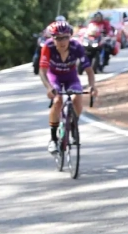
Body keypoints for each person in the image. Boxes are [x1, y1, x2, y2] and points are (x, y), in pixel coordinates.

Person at [38, 21, 97, 153]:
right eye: (58, 38)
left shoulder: (77, 46)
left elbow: (89, 70)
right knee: (57, 100)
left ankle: (73, 125)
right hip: (55, 77)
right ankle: (53, 139)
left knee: (77, 98)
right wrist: (48, 87)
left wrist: (93, 86)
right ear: (52, 38)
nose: (62, 41)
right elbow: (42, 71)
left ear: (70, 36)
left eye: (65, 37)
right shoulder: (48, 47)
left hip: (71, 76)